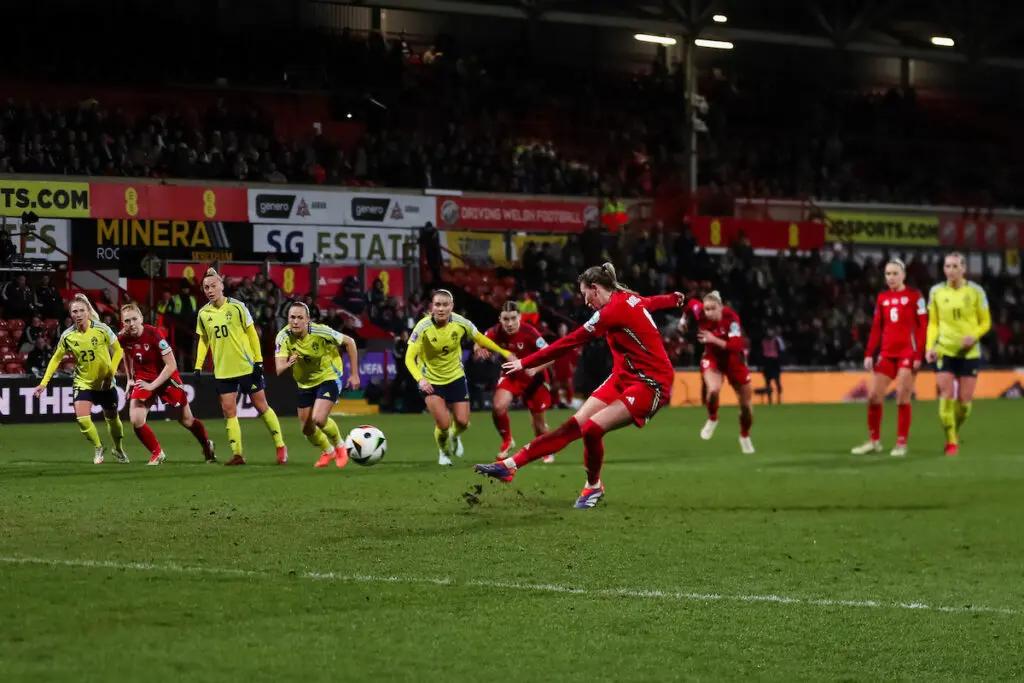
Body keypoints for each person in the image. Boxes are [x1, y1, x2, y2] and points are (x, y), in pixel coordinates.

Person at [475, 263, 682, 509]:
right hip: (623, 376)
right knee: (573, 426)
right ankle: (509, 466)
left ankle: (593, 487)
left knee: (593, 429)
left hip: (651, 383)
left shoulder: (612, 311)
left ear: (595, 288)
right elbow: (649, 302)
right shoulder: (626, 298)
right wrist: (673, 299)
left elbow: (570, 342)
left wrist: (524, 362)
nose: (585, 302)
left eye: (586, 295)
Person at [404, 289, 511, 465]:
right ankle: (443, 452)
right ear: (432, 307)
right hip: (430, 381)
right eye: (437, 304)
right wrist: (420, 379)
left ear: (451, 306)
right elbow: (409, 358)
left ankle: (454, 436)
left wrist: (504, 352)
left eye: (445, 305)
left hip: (455, 377)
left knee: (462, 422)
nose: (441, 309)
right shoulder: (423, 327)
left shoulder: (461, 323)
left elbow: (480, 338)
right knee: (443, 424)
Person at [194, 267, 288, 466]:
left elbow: (252, 333)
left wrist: (258, 360)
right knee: (229, 411)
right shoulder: (203, 313)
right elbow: (204, 340)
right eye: (206, 287)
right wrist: (198, 366)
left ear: (221, 286)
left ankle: (280, 446)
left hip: (246, 366)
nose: (209, 290)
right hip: (223, 370)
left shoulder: (237, 307)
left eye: (213, 286)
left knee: (261, 406)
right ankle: (237, 454)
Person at [33, 293, 128, 464]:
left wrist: (111, 373)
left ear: (88, 312)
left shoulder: (102, 329)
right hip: (83, 382)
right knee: (82, 420)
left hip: (105, 384)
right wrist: (43, 383)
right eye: (74, 311)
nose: (78, 314)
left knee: (113, 421)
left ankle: (118, 448)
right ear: (70, 314)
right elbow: (56, 358)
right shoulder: (68, 336)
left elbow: (119, 350)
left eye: (81, 310)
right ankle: (98, 447)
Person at [119, 303, 216, 465]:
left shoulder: (154, 334)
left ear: (141, 318)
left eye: (134, 319)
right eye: (127, 321)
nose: (131, 324)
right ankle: (157, 453)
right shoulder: (123, 337)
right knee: (136, 419)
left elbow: (171, 365)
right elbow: (126, 353)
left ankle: (206, 445)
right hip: (144, 378)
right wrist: (130, 378)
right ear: (123, 323)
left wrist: (152, 386)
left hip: (167, 378)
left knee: (186, 420)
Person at [851, 259, 928, 457]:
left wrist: (918, 354)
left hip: (907, 353)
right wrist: (869, 353)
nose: (891, 277)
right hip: (886, 353)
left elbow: (923, 327)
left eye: (895, 273)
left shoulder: (915, 296)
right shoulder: (882, 298)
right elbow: (877, 327)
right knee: (874, 397)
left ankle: (901, 443)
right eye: (887, 274)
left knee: (902, 396)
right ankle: (873, 441)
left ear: (903, 275)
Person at [274, 302, 360, 468]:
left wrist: (354, 374)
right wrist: (289, 362)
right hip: (304, 383)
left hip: (328, 376)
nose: (295, 321)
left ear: (308, 320)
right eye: (292, 317)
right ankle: (328, 451)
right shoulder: (283, 337)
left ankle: (340, 446)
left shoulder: (321, 331)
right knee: (307, 430)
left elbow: (350, 342)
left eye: (300, 318)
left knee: (319, 419)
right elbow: (279, 369)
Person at [925, 252, 991, 457]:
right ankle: (951, 442)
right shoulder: (936, 291)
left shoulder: (976, 291)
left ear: (963, 268)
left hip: (969, 353)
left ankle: (953, 429)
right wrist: (929, 347)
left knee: (964, 404)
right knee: (946, 395)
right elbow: (933, 323)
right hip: (944, 350)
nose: (951, 270)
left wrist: (974, 336)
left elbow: (986, 322)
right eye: (947, 266)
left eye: (955, 266)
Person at [474, 301, 555, 461]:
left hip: (534, 379)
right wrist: (479, 348)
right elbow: (478, 341)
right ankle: (507, 440)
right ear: (500, 319)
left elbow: (551, 355)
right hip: (511, 376)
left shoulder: (530, 332)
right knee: (498, 407)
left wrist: (535, 369)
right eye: (506, 319)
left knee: (539, 425)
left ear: (519, 317)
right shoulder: (495, 331)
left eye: (513, 318)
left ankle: (546, 449)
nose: (509, 323)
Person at [681, 291, 755, 454]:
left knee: (746, 408)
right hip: (712, 358)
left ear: (721, 307)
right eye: (706, 309)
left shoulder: (731, 318)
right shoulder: (700, 311)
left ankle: (744, 435)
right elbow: (689, 303)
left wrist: (713, 339)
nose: (708, 312)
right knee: (713, 390)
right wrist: (683, 320)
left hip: (734, 360)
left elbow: (736, 346)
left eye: (712, 309)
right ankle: (713, 418)